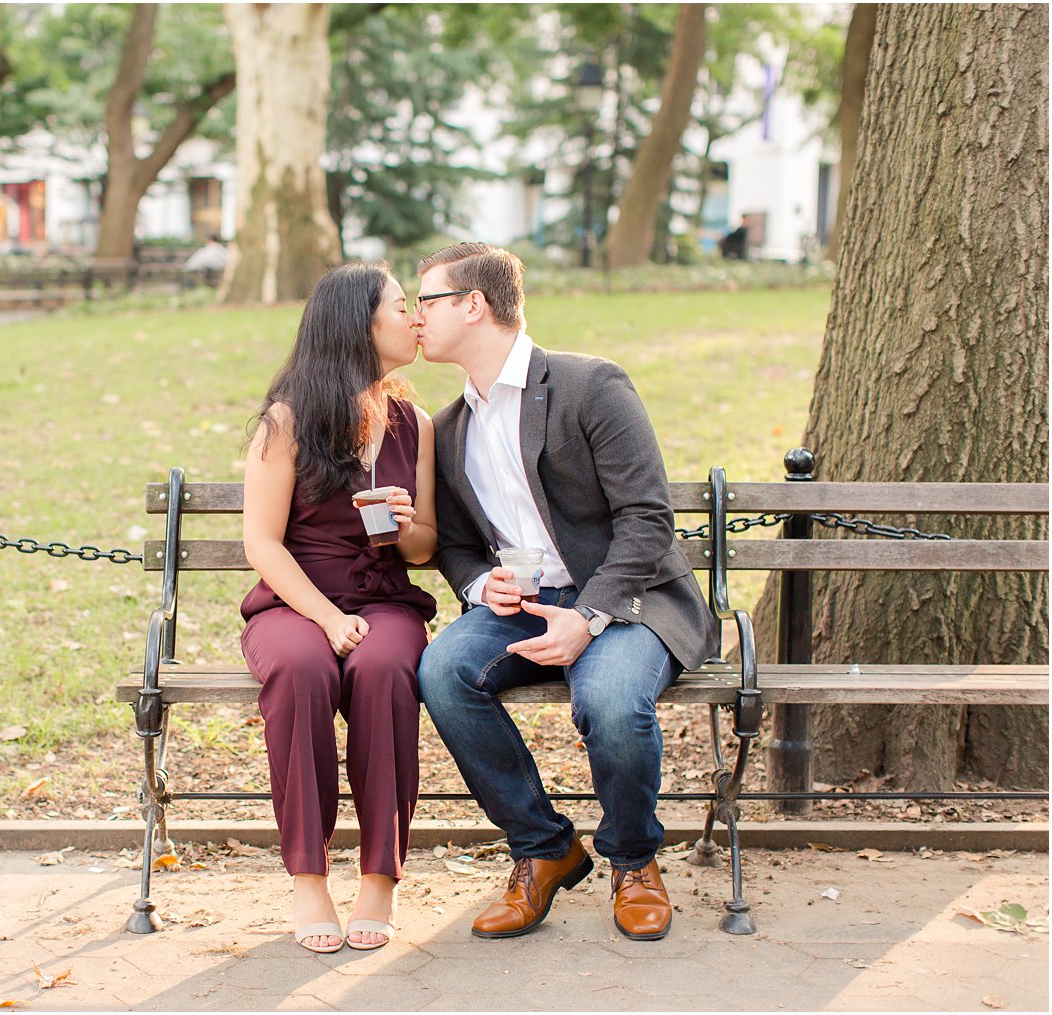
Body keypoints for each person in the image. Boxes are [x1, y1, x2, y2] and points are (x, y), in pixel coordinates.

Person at [411, 242, 718, 943]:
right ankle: (544, 847)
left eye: (426, 300)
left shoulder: (590, 385)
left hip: (628, 600)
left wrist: (588, 614)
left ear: (472, 304)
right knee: (442, 670)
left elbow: (647, 518)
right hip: (523, 606)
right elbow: (456, 543)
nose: (416, 317)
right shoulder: (450, 426)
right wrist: (477, 581)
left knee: (610, 697)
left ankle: (634, 860)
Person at [240, 262, 438, 954]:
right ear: (361, 323)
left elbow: (424, 547)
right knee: (301, 671)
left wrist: (408, 525)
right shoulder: (288, 419)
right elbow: (262, 543)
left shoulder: (416, 422)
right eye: (401, 306)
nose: (415, 318)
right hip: (296, 603)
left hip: (384, 598)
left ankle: (380, 874)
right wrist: (326, 619)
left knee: (385, 668)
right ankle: (308, 874)